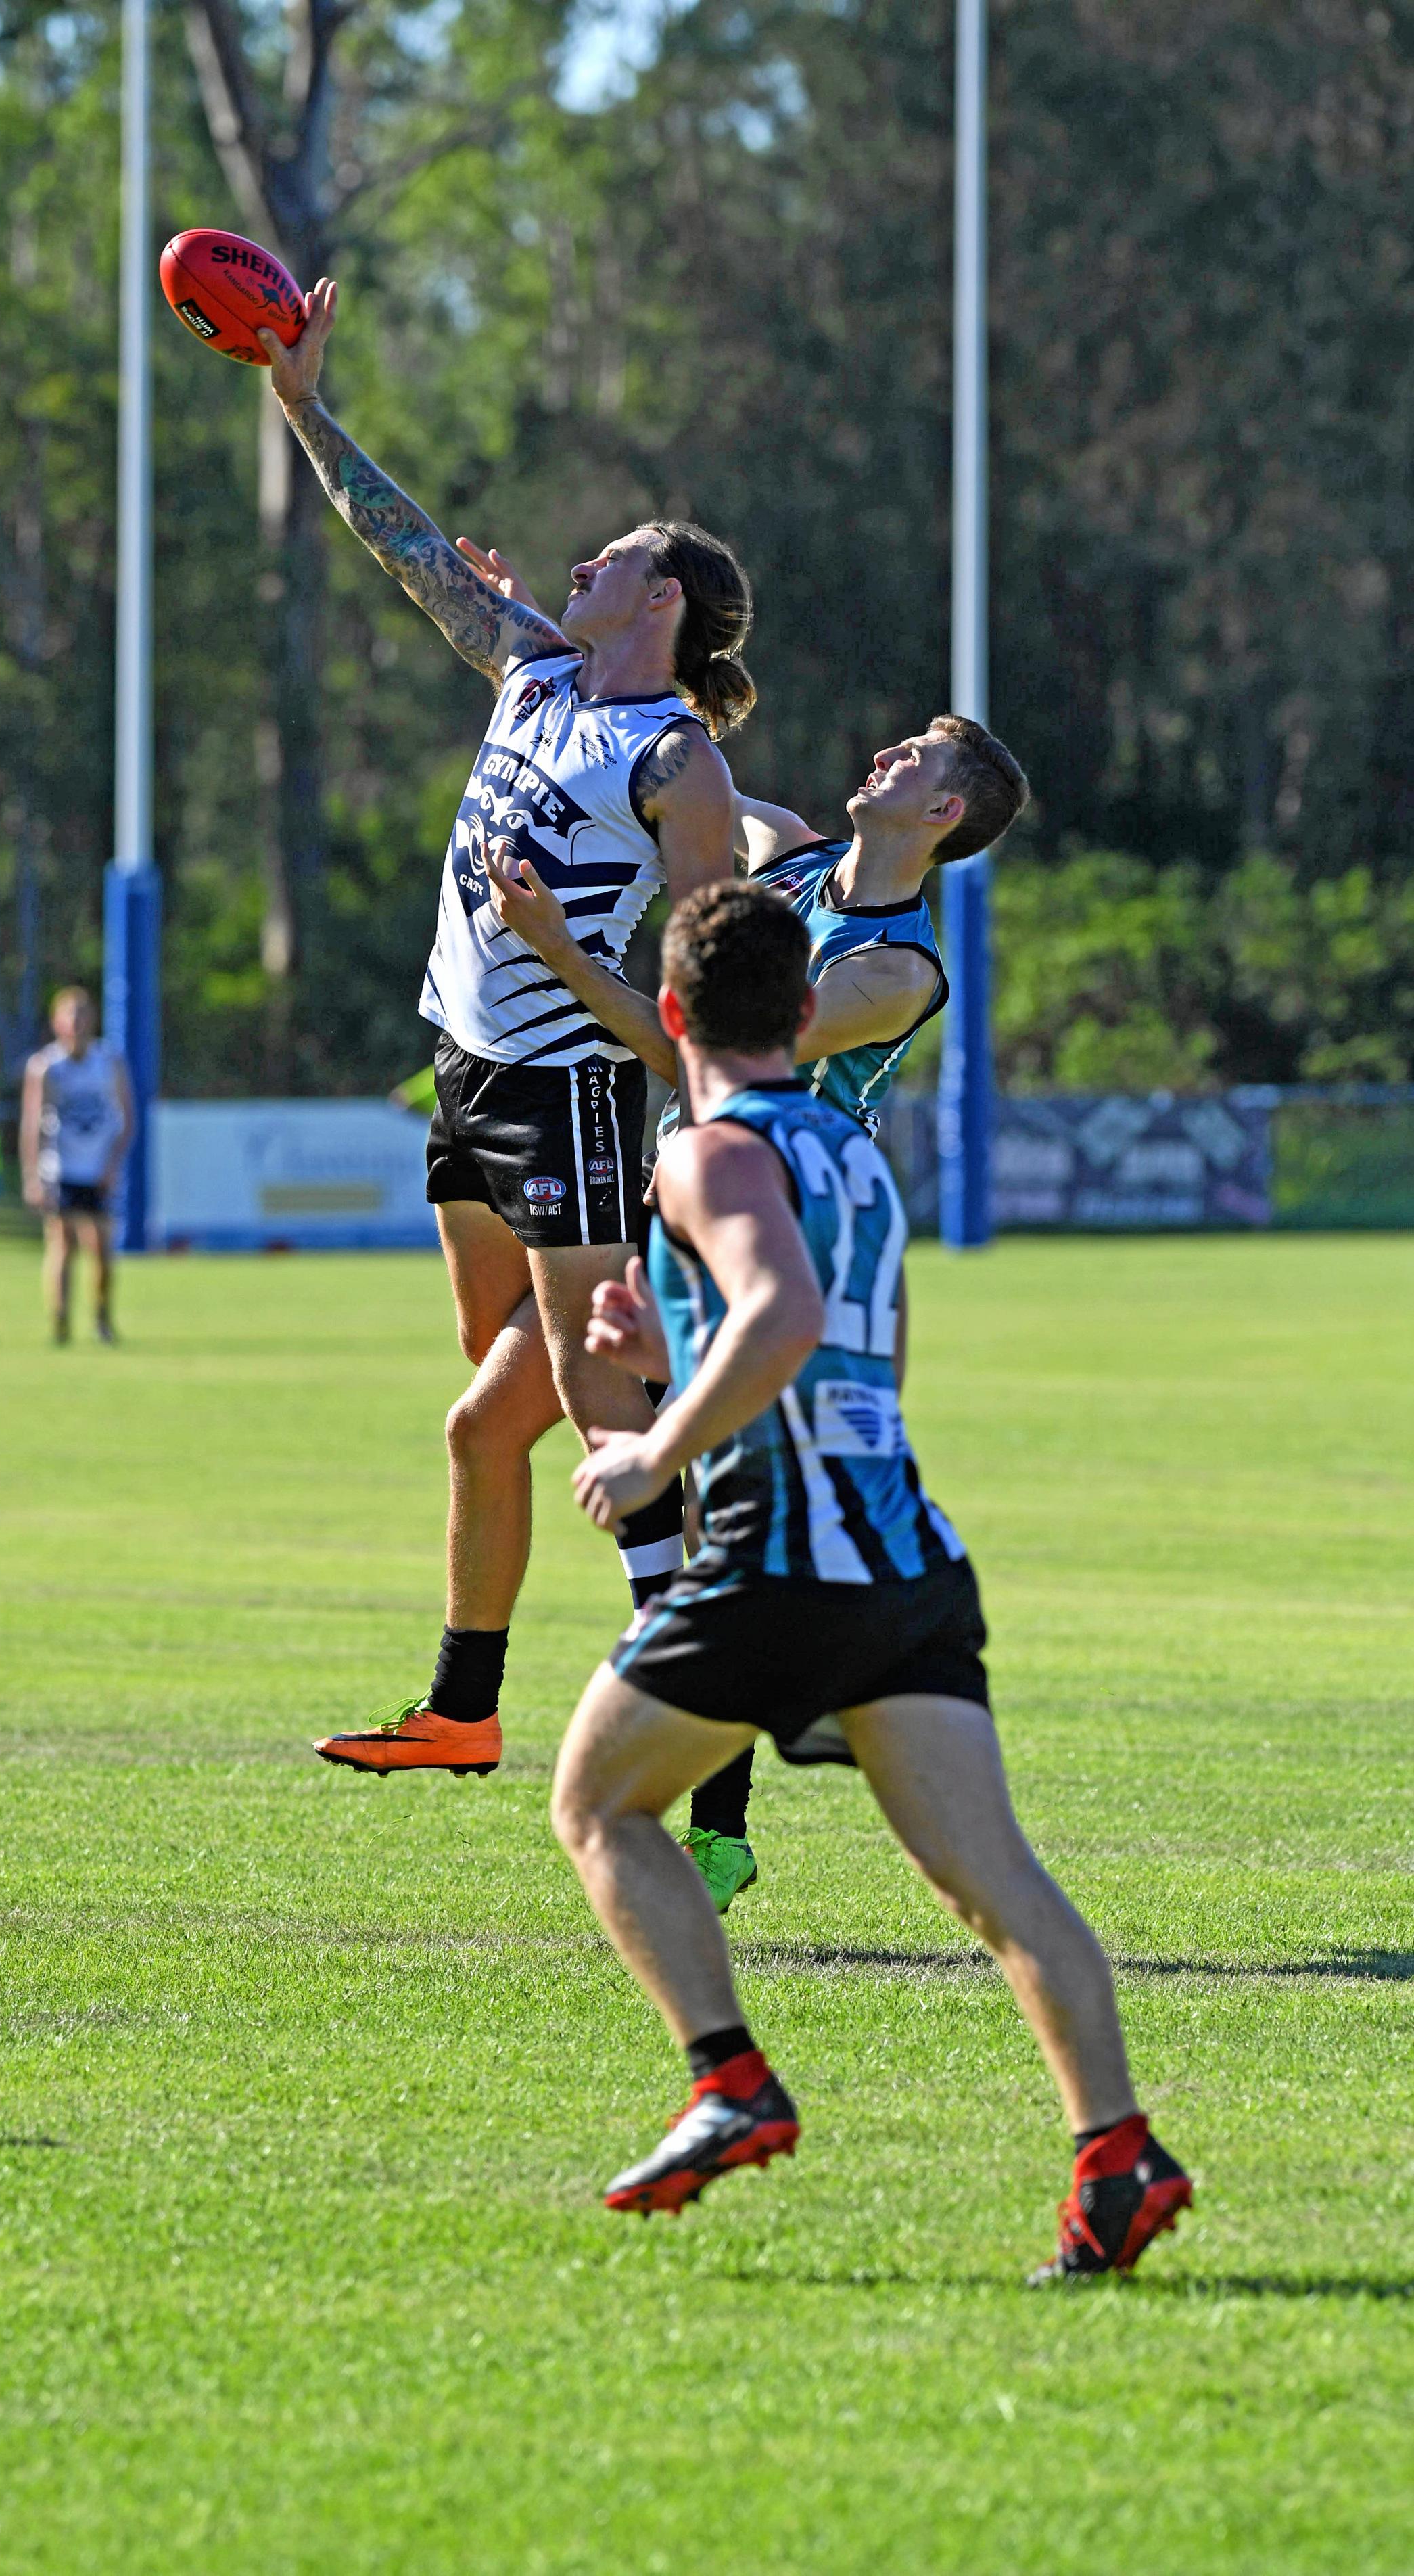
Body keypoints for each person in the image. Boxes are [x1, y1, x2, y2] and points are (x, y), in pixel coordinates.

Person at [548, 880, 1191, 2282]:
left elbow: (777, 1311)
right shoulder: (849, 1157)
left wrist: (656, 1439)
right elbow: (852, 1349)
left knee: (597, 1802)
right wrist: (667, 1342)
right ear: (804, 1013)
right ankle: (1116, 2152)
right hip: (903, 1556)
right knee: (1002, 1885)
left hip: (779, 1555)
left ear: (671, 1014)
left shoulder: (704, 1151)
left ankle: (727, 2076)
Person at [253, 283, 751, 1780]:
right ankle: (495, 1697)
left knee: (546, 1407)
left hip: (576, 1095)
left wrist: (552, 949)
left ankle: (681, 1690)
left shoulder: (675, 762)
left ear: (657, 602)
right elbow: (396, 540)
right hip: (465, 1076)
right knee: (498, 1383)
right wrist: (301, 399)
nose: (582, 560)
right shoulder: (533, 669)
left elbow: (698, 1026)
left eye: (614, 558)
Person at [490, 709, 1029, 1905]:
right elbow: (679, 768)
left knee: (729, 1504)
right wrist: (552, 661)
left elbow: (699, 1056)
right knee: (620, 1449)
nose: (881, 753)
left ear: (942, 815)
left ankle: (761, 1764)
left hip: (784, 1228)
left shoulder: (890, 970)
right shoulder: (782, 856)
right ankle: (765, 1722)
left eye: (915, 762)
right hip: (694, 1209)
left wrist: (562, 954)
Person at [19, 986, 135, 1346]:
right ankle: (60, 1320)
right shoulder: (46, 1066)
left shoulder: (109, 1062)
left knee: (100, 1246)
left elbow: (127, 1119)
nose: (77, 1022)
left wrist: (114, 1165)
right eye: (70, 1014)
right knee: (62, 1245)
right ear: (57, 1021)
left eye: (83, 1014)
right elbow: (33, 1123)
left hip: (98, 1167)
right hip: (61, 1168)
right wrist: (33, 1176)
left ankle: (102, 1318)